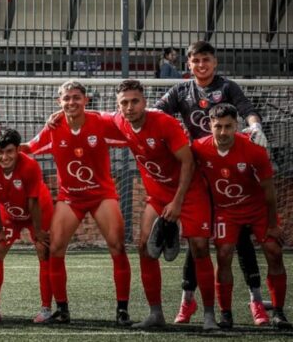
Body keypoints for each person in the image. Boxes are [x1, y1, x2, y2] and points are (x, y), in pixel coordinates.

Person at [154, 40, 270, 325]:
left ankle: (256, 301)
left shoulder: (227, 87)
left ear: (214, 62)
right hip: (198, 171)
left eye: (206, 60)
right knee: (198, 239)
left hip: (228, 169)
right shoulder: (181, 90)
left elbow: (247, 109)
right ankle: (187, 301)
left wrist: (255, 126)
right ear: (189, 65)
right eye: (196, 61)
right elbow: (156, 113)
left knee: (240, 237)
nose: (201, 65)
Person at [108, 80, 217, 331]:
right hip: (157, 196)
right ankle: (156, 313)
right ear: (118, 105)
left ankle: (210, 315)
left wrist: (177, 202)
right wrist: (60, 113)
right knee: (144, 247)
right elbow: (94, 116)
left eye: (135, 101)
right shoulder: (119, 121)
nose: (130, 106)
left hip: (189, 192)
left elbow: (188, 163)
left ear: (144, 101)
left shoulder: (164, 123)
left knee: (200, 248)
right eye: (124, 102)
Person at [24, 80, 132, 326]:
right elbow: (28, 147)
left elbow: (131, 129)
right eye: (66, 98)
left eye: (76, 97)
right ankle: (62, 310)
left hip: (101, 195)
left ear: (86, 100)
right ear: (58, 102)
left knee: (117, 247)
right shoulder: (54, 127)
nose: (71, 102)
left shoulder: (101, 122)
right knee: (55, 249)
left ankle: (122, 310)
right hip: (70, 197)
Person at [192, 103, 290, 330]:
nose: (223, 132)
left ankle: (278, 313)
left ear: (237, 126)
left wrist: (273, 224)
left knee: (274, 252)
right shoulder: (199, 148)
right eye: (218, 127)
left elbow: (269, 190)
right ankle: (226, 314)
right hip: (226, 211)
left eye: (229, 126)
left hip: (258, 210)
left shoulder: (254, 151)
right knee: (224, 254)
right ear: (209, 125)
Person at [0, 128, 53, 323]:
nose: (5, 157)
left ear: (18, 150)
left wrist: (38, 232)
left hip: (38, 211)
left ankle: (46, 309)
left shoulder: (30, 166)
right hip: (9, 213)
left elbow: (34, 203)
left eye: (9, 151)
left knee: (43, 250)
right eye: (0, 152)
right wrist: (0, 230)